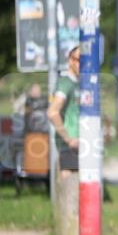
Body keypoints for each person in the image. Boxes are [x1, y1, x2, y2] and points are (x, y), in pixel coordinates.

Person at [47, 44, 81, 173]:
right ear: (70, 60)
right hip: (70, 147)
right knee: (69, 181)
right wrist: (68, 139)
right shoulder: (65, 82)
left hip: (83, 144)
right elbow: (52, 112)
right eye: (79, 60)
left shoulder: (80, 83)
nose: (83, 64)